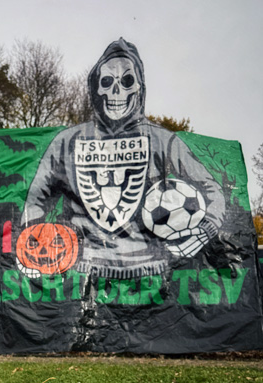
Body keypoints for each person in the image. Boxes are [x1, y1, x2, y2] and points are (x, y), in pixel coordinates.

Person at [19, 38, 225, 279]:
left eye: (126, 81)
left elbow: (211, 190)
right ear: (96, 88)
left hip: (150, 275)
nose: (116, 91)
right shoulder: (67, 142)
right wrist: (30, 243)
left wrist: (205, 228)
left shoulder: (163, 141)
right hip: (82, 272)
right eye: (107, 82)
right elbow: (36, 196)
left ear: (139, 87)